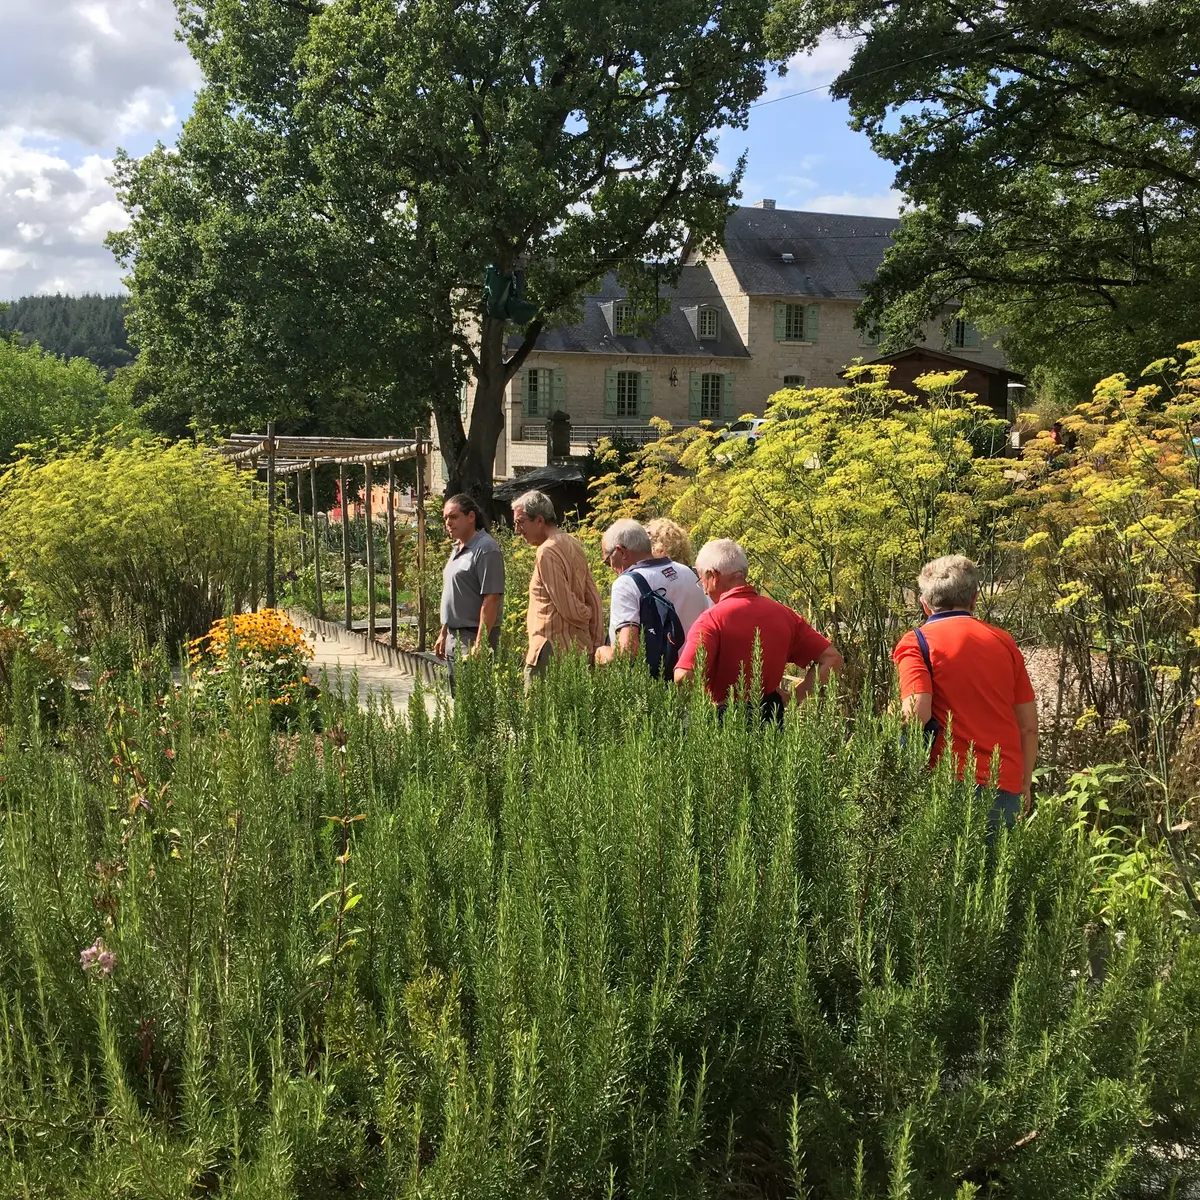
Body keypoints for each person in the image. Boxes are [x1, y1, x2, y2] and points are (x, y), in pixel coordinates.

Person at [892, 555, 1038, 833]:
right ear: (974, 599)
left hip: (945, 781)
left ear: (925, 604)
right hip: (1003, 781)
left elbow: (917, 713)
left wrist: (887, 724)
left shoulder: (916, 642)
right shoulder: (1003, 641)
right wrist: (1024, 781)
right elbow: (1028, 726)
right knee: (994, 873)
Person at [673, 538, 843, 721]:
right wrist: (794, 697)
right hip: (771, 717)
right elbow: (832, 658)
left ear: (713, 576)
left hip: (725, 722)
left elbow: (683, 677)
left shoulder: (711, 620)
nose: (704, 591)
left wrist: (702, 704)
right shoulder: (784, 614)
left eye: (702, 581)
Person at [594, 519, 709, 672]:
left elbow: (627, 652)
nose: (610, 568)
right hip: (694, 674)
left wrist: (602, 653)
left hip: (656, 685)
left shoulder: (626, 584)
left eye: (608, 561)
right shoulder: (688, 572)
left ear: (621, 552)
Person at [511, 489, 603, 681]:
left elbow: (567, 606)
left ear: (539, 520)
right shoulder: (573, 542)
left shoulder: (546, 551)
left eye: (520, 522)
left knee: (538, 710)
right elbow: (593, 596)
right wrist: (595, 641)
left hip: (551, 650)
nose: (517, 530)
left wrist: (587, 615)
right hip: (578, 650)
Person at [433, 493, 505, 694]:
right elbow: (453, 594)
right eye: (445, 517)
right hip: (454, 637)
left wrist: (480, 644)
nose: (448, 522)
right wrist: (443, 632)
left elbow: (491, 597)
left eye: (453, 517)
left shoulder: (486, 548)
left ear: (471, 517)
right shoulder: (457, 548)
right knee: (460, 702)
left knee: (475, 703)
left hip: (473, 637)